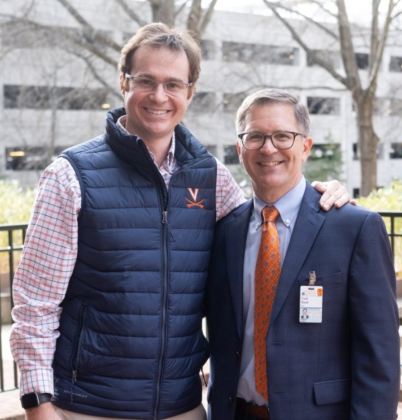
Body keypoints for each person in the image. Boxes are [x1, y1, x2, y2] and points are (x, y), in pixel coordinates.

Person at [10, 23, 350, 420]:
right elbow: (35, 306)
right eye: (145, 81)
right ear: (123, 83)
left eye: (173, 84)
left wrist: (322, 196)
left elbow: (267, 226)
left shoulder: (212, 178)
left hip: (182, 408)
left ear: (189, 92)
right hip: (87, 406)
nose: (159, 96)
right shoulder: (70, 177)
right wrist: (38, 404)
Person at [205, 89, 400, 420]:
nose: (268, 148)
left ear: (305, 147)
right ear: (240, 150)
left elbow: (378, 354)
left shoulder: (354, 228)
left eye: (283, 136)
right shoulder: (223, 233)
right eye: (255, 137)